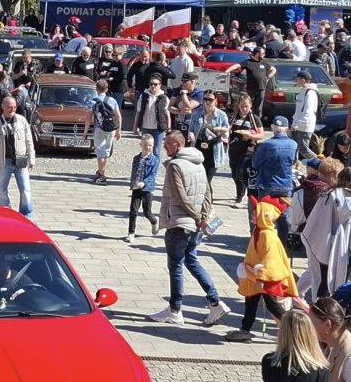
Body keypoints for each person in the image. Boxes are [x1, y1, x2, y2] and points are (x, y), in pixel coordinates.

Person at [149, 130, 230, 327]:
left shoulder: (175, 165)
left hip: (179, 223)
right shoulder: (199, 164)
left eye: (168, 143)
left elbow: (180, 196)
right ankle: (215, 302)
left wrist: (196, 216)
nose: (165, 147)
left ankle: (175, 310)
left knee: (176, 265)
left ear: (177, 145)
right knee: (192, 261)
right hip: (194, 225)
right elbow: (208, 194)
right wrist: (202, 218)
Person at [225, 196, 297, 342]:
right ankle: (245, 330)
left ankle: (293, 332)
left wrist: (261, 278)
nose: (252, 214)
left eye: (255, 212)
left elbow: (270, 260)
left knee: (272, 305)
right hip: (254, 275)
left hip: (261, 278)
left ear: (264, 215)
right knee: (250, 302)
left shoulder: (267, 236)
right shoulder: (259, 232)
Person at [301, 167, 351, 301]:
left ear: (340, 179)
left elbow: (316, 222)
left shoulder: (329, 195)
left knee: (323, 281)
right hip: (350, 248)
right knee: (342, 281)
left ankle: (321, 311)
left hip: (325, 245)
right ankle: (337, 308)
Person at [0, 95, 35, 218]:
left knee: (25, 189)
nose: (12, 110)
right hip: (3, 161)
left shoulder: (22, 120)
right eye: (9, 107)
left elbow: (29, 141)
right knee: (1, 191)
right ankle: (6, 213)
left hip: (21, 159)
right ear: (3, 107)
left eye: (14, 107)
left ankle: (26, 214)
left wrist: (32, 158)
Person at [187, 91, 229, 183]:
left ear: (215, 101)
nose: (207, 102)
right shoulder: (196, 113)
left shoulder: (222, 115)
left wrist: (222, 132)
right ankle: (203, 197)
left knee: (207, 179)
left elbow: (226, 133)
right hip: (199, 147)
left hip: (214, 149)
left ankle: (207, 197)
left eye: (210, 99)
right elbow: (190, 129)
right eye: (205, 99)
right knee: (198, 178)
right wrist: (191, 134)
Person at [228, 93, 261, 205]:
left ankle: (240, 197)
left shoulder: (254, 119)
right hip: (233, 148)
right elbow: (227, 128)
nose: (244, 109)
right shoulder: (233, 116)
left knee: (240, 174)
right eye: (242, 106)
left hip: (247, 150)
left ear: (250, 106)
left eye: (246, 106)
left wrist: (251, 136)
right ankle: (241, 191)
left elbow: (261, 135)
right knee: (233, 173)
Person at [126, 133, 160, 242]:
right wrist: (133, 183)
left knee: (147, 212)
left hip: (147, 189)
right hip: (136, 188)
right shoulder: (136, 158)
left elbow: (152, 175)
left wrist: (144, 183)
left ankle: (154, 221)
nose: (148, 147)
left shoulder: (154, 160)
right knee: (133, 211)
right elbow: (133, 172)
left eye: (150, 145)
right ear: (141, 145)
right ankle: (131, 233)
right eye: (146, 145)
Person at [90, 78, 121, 185]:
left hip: (99, 129)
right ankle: (100, 172)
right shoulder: (112, 100)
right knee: (106, 152)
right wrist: (118, 130)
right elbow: (118, 116)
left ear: (96, 89)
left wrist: (85, 132)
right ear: (107, 89)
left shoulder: (94, 101)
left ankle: (102, 176)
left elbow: (88, 118)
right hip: (111, 129)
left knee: (100, 153)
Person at [134, 75, 170, 154]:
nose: (153, 86)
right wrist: (135, 127)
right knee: (145, 151)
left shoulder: (164, 98)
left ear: (160, 85)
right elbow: (138, 112)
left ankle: (154, 166)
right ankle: (146, 166)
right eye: (151, 84)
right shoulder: (143, 96)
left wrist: (168, 128)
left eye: (155, 84)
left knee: (156, 151)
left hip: (159, 129)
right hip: (145, 127)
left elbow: (167, 114)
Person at [240, 46, 277, 122]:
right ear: (257, 54)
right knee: (248, 105)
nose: (264, 55)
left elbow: (273, 69)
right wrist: (228, 71)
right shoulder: (248, 62)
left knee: (258, 108)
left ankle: (257, 123)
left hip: (261, 88)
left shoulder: (264, 63)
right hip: (251, 89)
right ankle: (247, 121)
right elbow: (237, 66)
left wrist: (268, 76)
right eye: (263, 53)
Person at [291, 70, 319, 160]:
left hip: (305, 126)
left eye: (298, 79)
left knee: (304, 149)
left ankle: (320, 163)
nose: (296, 81)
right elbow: (299, 110)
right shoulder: (302, 91)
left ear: (303, 80)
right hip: (297, 125)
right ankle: (295, 165)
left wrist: (297, 124)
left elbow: (308, 112)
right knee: (295, 147)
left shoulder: (310, 93)